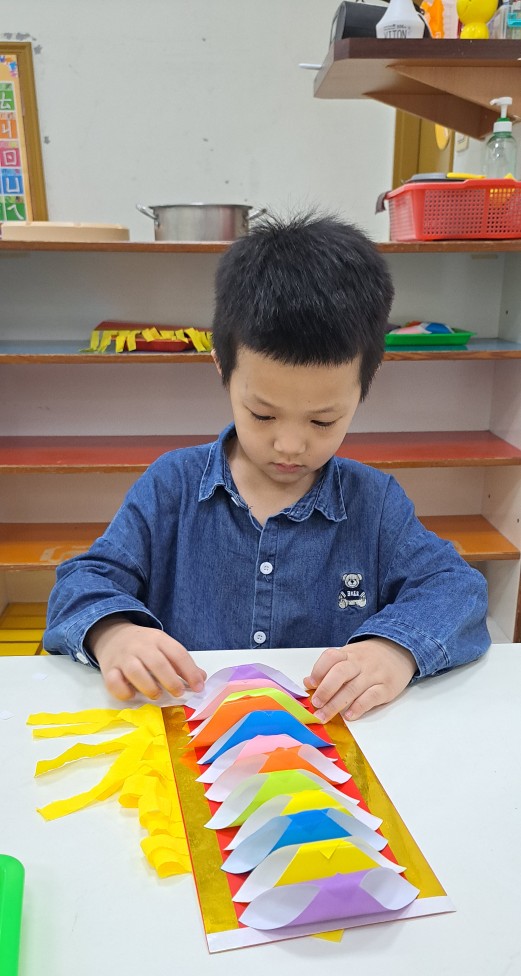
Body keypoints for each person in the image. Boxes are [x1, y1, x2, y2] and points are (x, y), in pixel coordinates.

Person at [44, 212, 490, 722]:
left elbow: (456, 588)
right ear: (222, 368)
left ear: (364, 386)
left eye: (323, 421)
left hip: (325, 745)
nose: (290, 444)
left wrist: (394, 649)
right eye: (263, 414)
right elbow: (81, 582)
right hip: (191, 738)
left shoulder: (375, 503)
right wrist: (114, 633)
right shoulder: (172, 486)